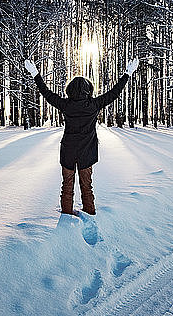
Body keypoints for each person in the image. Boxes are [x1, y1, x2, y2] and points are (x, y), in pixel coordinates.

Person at [24, 58, 140, 215]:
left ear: (70, 89)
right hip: (87, 152)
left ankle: (66, 215)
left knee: (67, 186)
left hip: (68, 151)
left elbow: (47, 93)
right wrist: (127, 73)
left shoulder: (66, 105)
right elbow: (114, 93)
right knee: (87, 186)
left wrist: (35, 74)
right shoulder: (94, 105)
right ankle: (90, 213)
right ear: (88, 89)